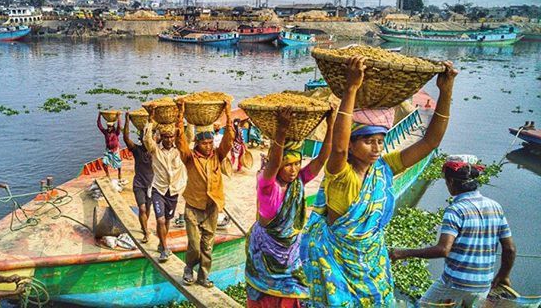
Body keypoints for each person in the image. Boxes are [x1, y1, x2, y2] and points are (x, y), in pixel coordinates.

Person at [301, 56, 457, 306]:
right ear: (351, 145)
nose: (376, 148)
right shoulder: (340, 173)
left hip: (373, 262)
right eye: (368, 141)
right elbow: (338, 150)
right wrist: (351, 89)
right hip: (336, 263)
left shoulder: (384, 168)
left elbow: (430, 142)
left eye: (380, 141)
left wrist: (446, 92)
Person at [390, 155, 516, 307]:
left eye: (446, 181)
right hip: (483, 284)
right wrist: (504, 275)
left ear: (450, 182)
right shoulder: (495, 207)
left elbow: (443, 250)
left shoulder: (455, 210)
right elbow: (509, 249)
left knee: (421, 306)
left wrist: (402, 253)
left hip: (455, 283)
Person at [245, 107, 335, 308]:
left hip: (290, 254)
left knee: (293, 295)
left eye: (297, 163)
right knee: (264, 297)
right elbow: (274, 163)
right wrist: (281, 132)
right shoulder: (267, 184)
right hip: (266, 253)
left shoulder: (299, 182)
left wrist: (330, 126)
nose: (294, 169)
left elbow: (321, 159)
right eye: (288, 164)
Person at [175, 98, 234, 288]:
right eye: (205, 143)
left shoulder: (218, 156)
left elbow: (229, 139)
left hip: (211, 207)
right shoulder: (189, 158)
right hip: (193, 206)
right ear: (198, 144)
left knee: (207, 246)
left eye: (210, 142)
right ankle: (188, 268)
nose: (209, 146)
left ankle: (203, 276)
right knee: (194, 244)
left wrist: (228, 113)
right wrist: (180, 114)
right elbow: (180, 140)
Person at [143, 106, 187, 263]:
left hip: (173, 191)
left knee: (167, 221)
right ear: (161, 137)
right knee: (160, 220)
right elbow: (146, 139)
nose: (169, 140)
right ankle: (165, 248)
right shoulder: (155, 150)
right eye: (166, 137)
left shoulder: (180, 150)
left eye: (171, 137)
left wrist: (182, 114)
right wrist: (150, 120)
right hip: (158, 190)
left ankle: (162, 243)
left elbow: (189, 135)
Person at [123, 112, 154, 244]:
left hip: (152, 185)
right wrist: (127, 121)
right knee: (141, 208)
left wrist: (151, 117)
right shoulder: (137, 150)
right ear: (141, 139)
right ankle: (146, 231)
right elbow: (125, 138)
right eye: (143, 138)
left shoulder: (155, 150)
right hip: (139, 184)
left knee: (147, 209)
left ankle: (144, 226)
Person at [97, 112, 126, 188]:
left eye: (110, 127)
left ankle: (119, 174)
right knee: (104, 163)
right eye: (108, 127)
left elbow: (119, 126)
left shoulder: (116, 132)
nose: (109, 128)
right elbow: (99, 125)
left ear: (113, 127)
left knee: (118, 163)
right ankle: (107, 174)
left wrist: (119, 116)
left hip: (115, 150)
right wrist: (99, 115)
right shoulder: (106, 132)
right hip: (108, 151)